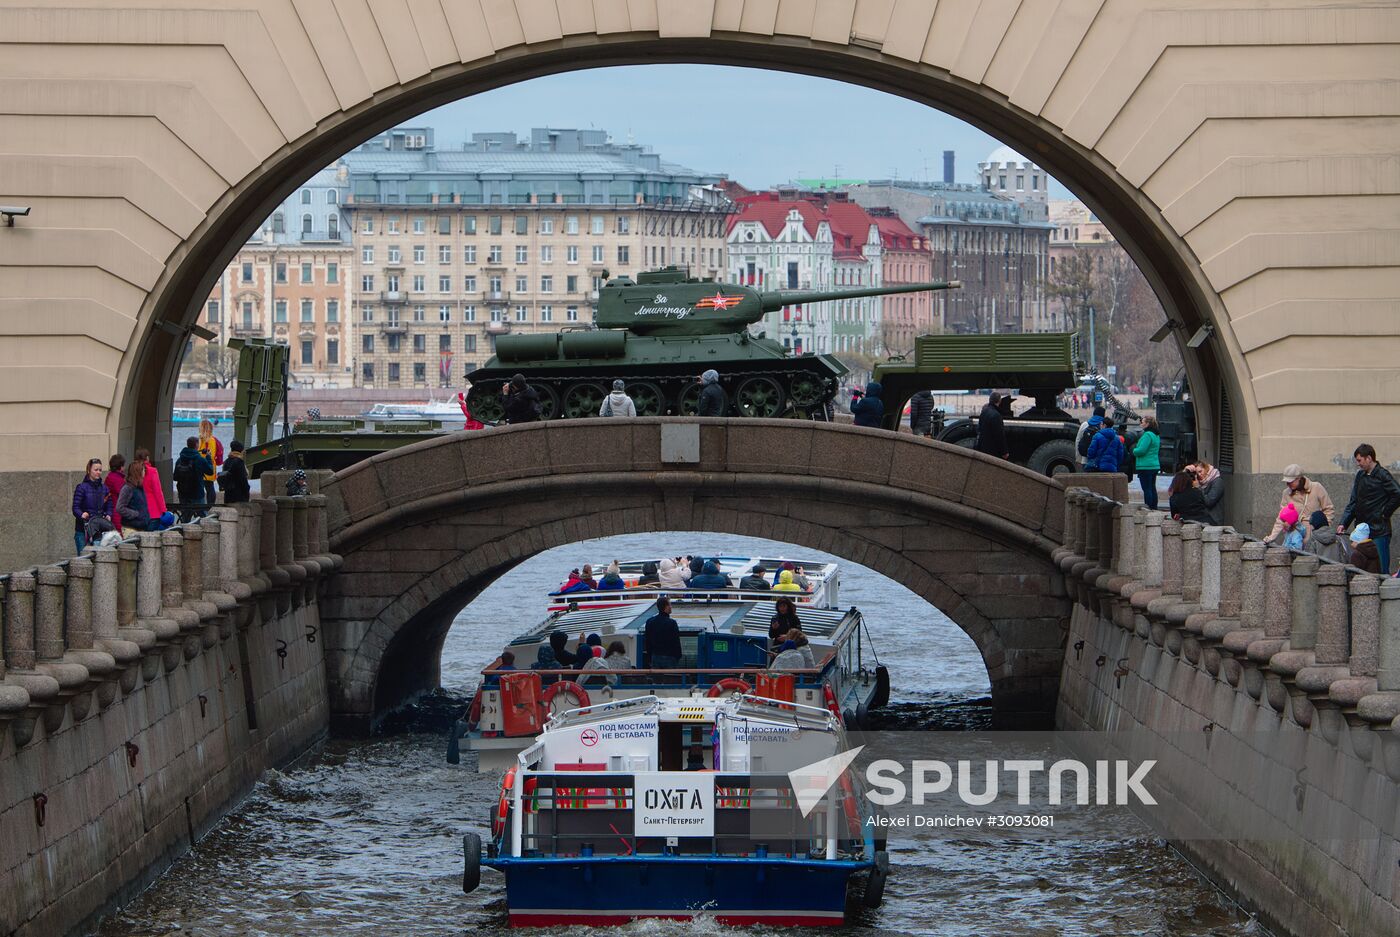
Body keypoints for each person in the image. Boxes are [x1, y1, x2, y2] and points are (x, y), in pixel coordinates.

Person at [1338, 444, 1400, 574]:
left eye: (1360, 460)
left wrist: (1384, 513)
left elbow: (1397, 494)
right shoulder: (1360, 476)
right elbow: (1353, 502)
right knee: (1363, 569)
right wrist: (1343, 522)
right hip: (1362, 530)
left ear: (1369, 458)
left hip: (1379, 530)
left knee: (1381, 568)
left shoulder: (1383, 475)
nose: (1358, 464)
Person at [1264, 464, 1333, 544]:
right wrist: (1272, 537)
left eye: (1290, 481)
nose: (1288, 484)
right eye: (1286, 482)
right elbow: (1282, 517)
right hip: (1294, 534)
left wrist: (1325, 530)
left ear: (1299, 479)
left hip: (1314, 534)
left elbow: (1328, 509)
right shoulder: (1286, 493)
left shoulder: (1316, 487)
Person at [71, 457, 109, 554]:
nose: (98, 472)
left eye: (100, 470)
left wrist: (108, 514)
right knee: (83, 558)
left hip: (98, 530)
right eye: (96, 470)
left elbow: (109, 504)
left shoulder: (104, 488)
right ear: (89, 470)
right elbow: (75, 507)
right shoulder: (81, 487)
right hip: (83, 530)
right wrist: (81, 514)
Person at [172, 436, 212, 521]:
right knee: (203, 517)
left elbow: (175, 477)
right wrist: (208, 457)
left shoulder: (180, 459)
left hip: (183, 494)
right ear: (197, 445)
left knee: (185, 518)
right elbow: (210, 471)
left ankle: (184, 532)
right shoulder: (199, 459)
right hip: (197, 493)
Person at [133, 448, 174, 529]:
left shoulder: (133, 471)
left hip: (138, 511)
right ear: (147, 458)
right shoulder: (152, 471)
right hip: (153, 511)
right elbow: (158, 492)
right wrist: (163, 510)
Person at [1131, 417, 1161, 510]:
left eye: (1142, 422)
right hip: (1154, 465)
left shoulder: (1147, 435)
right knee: (1152, 488)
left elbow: (1141, 450)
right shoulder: (1156, 435)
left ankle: (1148, 508)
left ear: (1147, 424)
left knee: (1147, 489)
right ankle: (1154, 507)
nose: (1141, 423)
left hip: (1145, 466)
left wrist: (1133, 450)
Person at [116, 460, 154, 532]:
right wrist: (136, 514)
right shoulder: (127, 488)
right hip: (130, 528)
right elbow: (120, 507)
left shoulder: (140, 487)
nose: (144, 472)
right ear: (137, 472)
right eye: (143, 470)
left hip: (142, 526)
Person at [644, 597, 682, 669]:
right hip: (670, 657)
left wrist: (649, 656)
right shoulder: (672, 623)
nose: (671, 607)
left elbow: (647, 641)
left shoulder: (650, 622)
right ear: (666, 606)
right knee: (670, 678)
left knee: (657, 679)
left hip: (655, 656)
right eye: (670, 605)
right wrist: (678, 656)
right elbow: (676, 641)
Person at [197, 418, 223, 507]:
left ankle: (199, 508)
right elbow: (219, 458)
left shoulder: (197, 441)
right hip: (210, 467)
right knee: (210, 488)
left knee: (198, 489)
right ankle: (210, 507)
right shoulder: (215, 441)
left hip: (197, 468)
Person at [974, 392, 1009, 459]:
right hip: (993, 451)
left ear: (990, 400)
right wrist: (1004, 452)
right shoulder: (996, 415)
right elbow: (1000, 435)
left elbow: (979, 429)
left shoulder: (984, 412)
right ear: (1000, 401)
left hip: (983, 449)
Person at [1193, 459, 1224, 525]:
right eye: (1197, 473)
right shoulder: (1201, 483)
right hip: (1203, 519)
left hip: (1214, 520)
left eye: (1200, 471)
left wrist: (1199, 488)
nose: (1199, 474)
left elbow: (1209, 501)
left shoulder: (1217, 481)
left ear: (1206, 468)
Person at [104, 454, 127, 534]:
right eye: (123, 466)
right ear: (120, 467)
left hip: (114, 510)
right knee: (118, 536)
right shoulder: (116, 478)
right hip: (117, 513)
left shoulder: (111, 476)